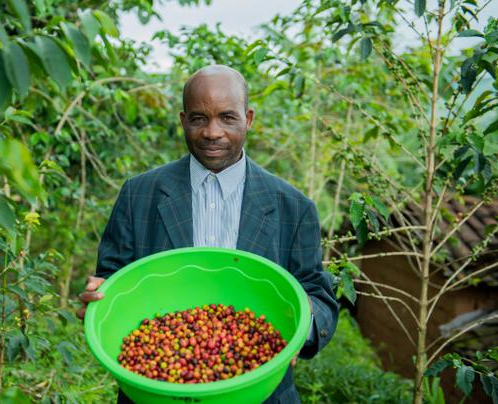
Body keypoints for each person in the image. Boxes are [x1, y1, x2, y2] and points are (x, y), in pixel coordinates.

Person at [77, 65, 339, 403]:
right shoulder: (138, 195)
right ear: (183, 120)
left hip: (261, 391)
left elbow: (318, 295)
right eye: (199, 118)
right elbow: (115, 280)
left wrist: (305, 324)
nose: (212, 132)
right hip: (158, 389)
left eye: (227, 118)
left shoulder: (293, 206)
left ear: (249, 119)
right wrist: (101, 298)